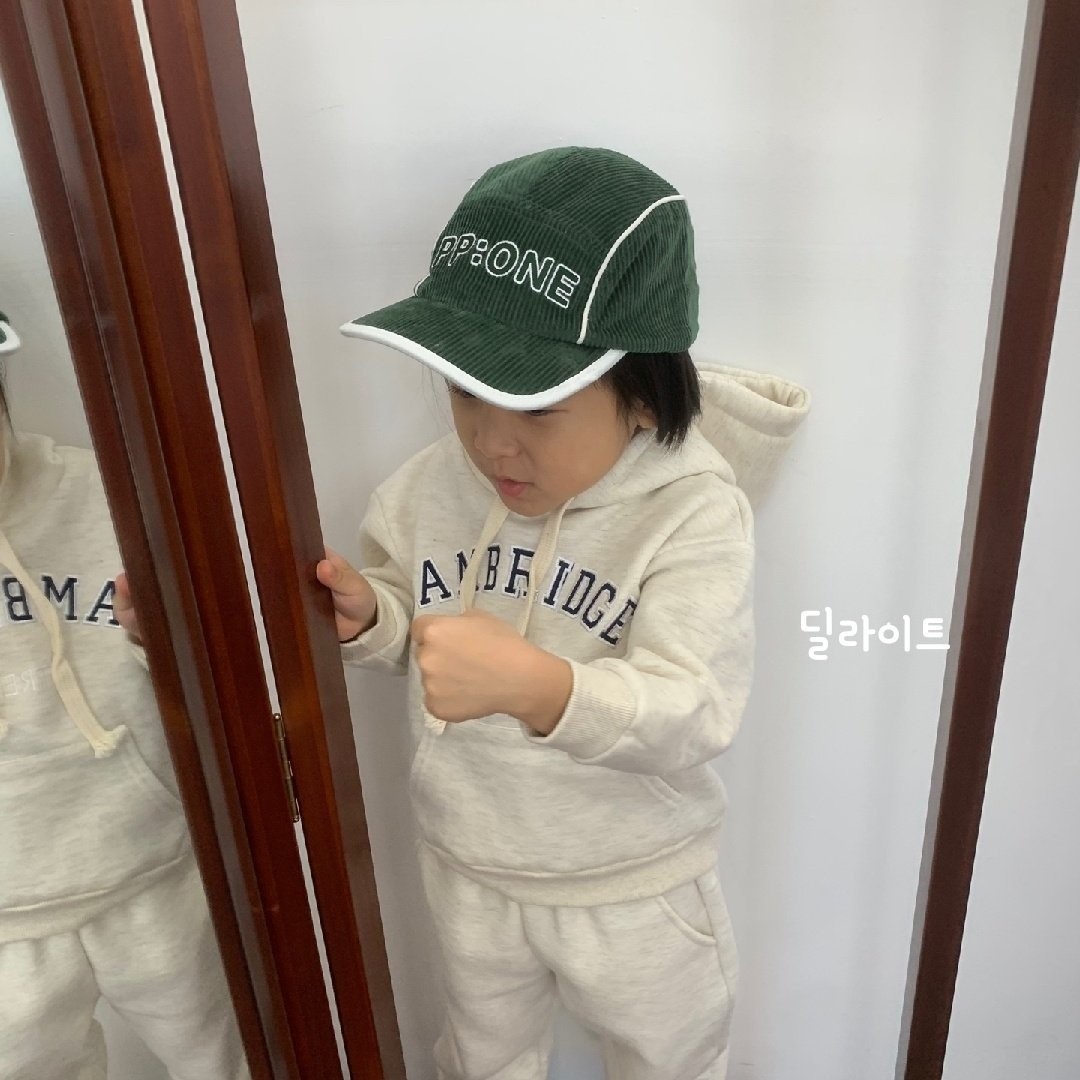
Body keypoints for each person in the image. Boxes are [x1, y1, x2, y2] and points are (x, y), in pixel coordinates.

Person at [321, 147, 811, 1079]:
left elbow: (696, 708)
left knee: (668, 1062)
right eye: (466, 390)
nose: (491, 441)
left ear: (644, 397)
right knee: (482, 1061)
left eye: (536, 406)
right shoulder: (432, 485)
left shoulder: (694, 515)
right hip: (470, 862)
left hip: (632, 881)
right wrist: (370, 618)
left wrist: (542, 688)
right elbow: (413, 622)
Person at [0, 311, 248, 1080]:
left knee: (221, 1056)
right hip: (8, 919)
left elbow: (217, 673)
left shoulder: (102, 495)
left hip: (147, 862)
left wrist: (159, 643)